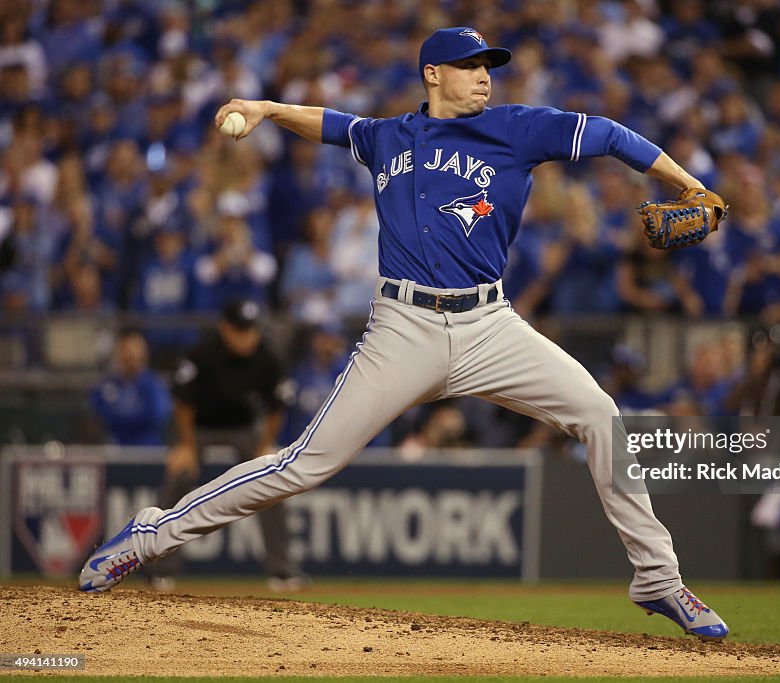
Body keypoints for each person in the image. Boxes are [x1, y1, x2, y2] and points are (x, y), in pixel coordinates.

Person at [79, 27, 728, 640]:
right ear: (433, 74)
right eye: (472, 67)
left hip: (489, 325)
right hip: (403, 328)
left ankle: (658, 578)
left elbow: (611, 135)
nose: (484, 79)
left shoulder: (515, 129)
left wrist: (691, 184)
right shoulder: (390, 136)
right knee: (304, 463)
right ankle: (148, 537)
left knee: (600, 414)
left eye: (489, 68)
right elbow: (336, 126)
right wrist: (268, 108)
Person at [145, 298, 305, 592]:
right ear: (225, 329)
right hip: (200, 428)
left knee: (272, 482)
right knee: (179, 477)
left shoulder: (267, 355)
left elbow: (277, 407)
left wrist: (266, 444)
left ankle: (281, 570)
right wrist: (186, 446)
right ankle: (161, 570)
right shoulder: (202, 353)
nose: (247, 337)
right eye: (240, 330)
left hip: (244, 428)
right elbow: (183, 403)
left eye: (251, 330)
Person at [90, 330, 171, 446]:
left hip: (147, 449)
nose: (129, 359)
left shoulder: (153, 384)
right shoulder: (108, 384)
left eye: (133, 356)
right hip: (115, 447)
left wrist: (121, 418)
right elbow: (97, 413)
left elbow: (156, 415)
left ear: (143, 356)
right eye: (125, 354)